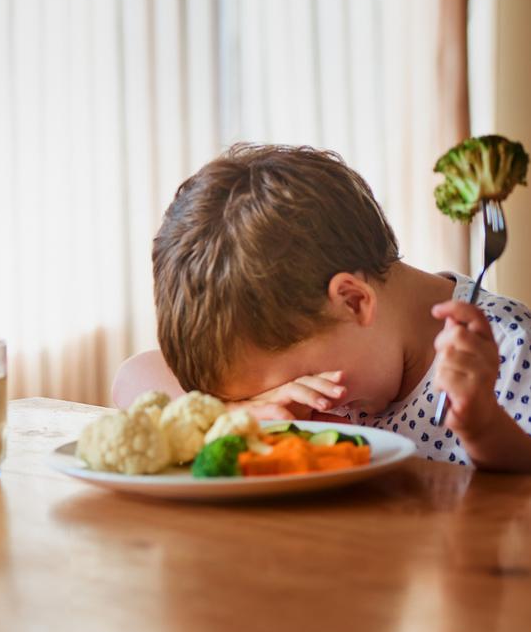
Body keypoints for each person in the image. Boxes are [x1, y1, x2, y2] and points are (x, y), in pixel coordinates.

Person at [113, 143, 531, 471]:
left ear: (352, 301)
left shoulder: (507, 349)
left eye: (301, 380)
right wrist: (234, 411)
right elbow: (131, 378)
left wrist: (483, 428)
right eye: (267, 395)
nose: (296, 401)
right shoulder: (326, 344)